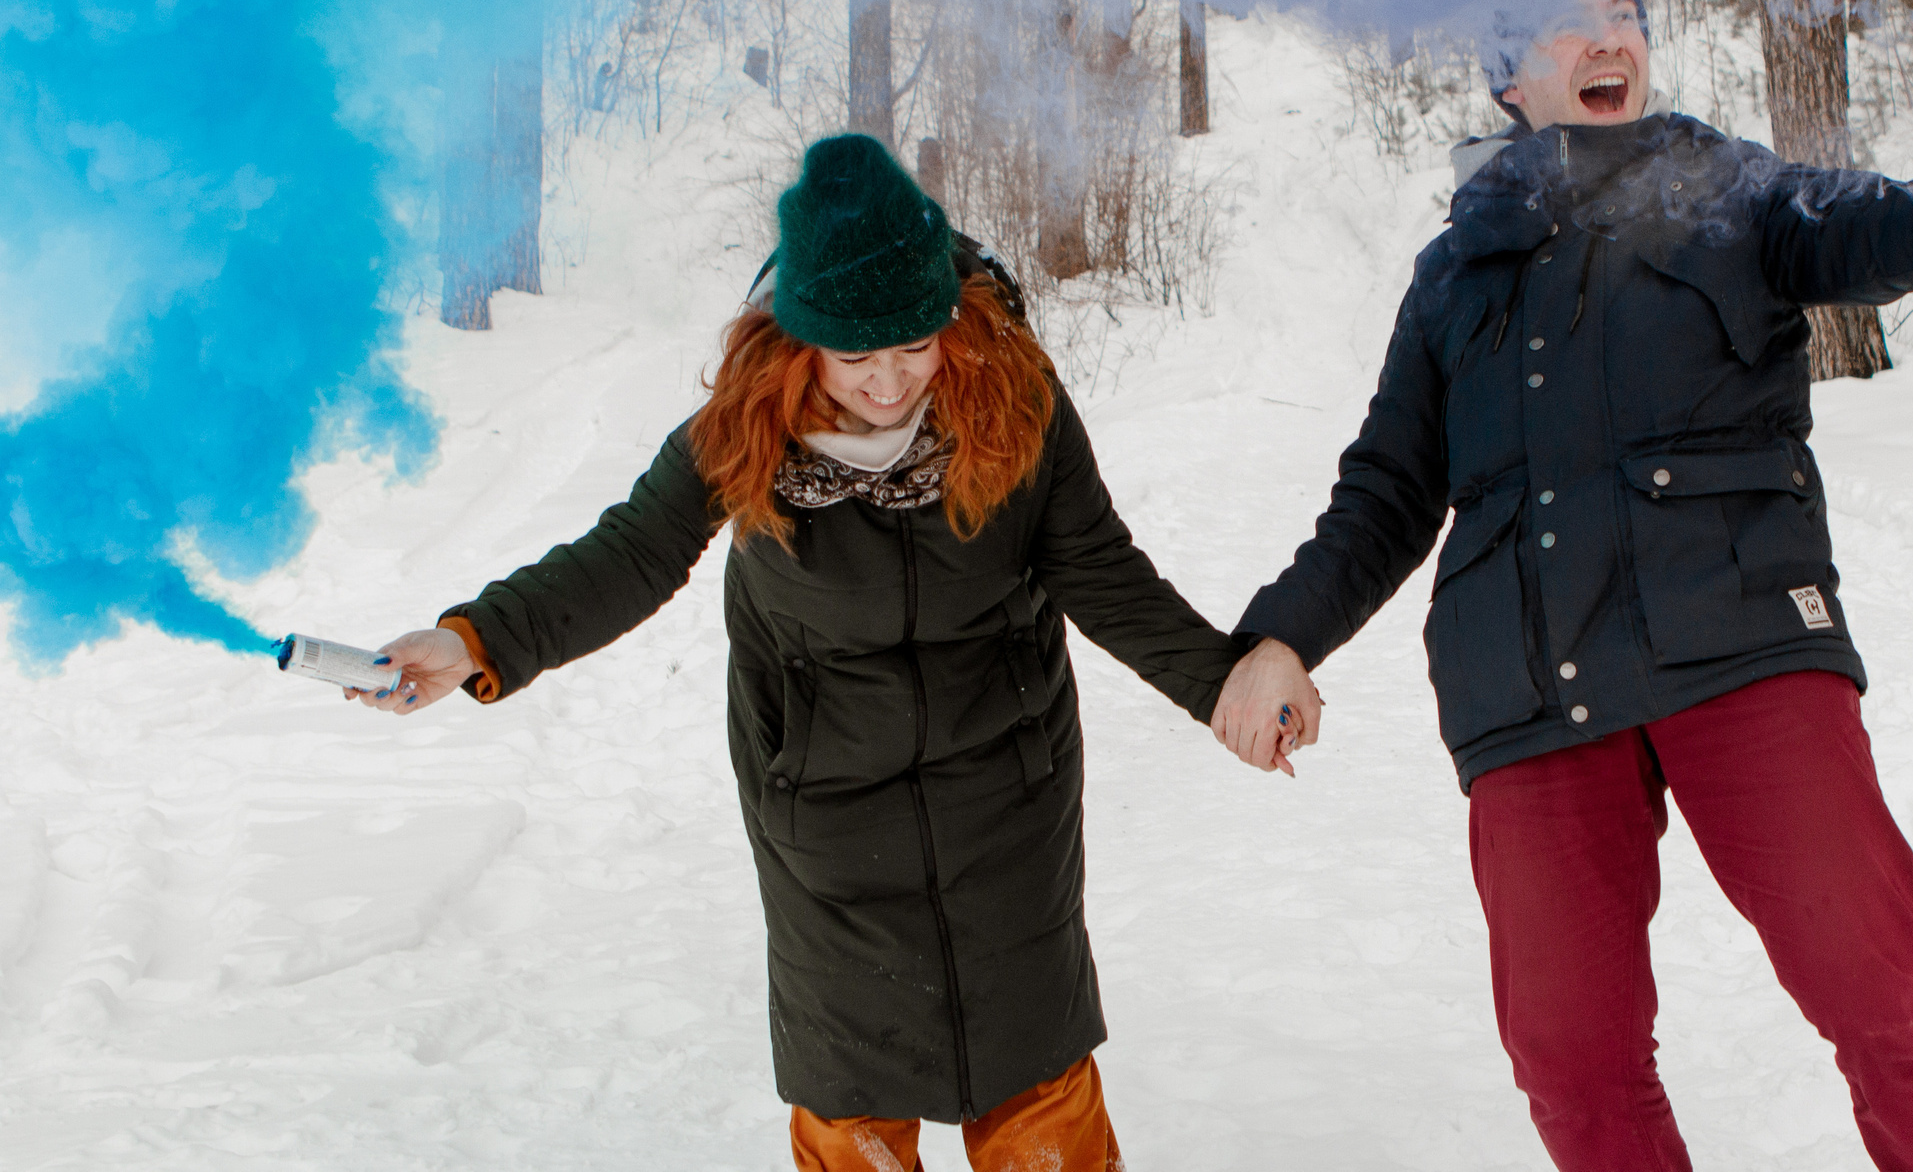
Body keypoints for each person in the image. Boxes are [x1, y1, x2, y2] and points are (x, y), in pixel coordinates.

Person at [1209, 0, 1913, 1172]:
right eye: (1567, 20)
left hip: (1738, 639)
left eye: (1625, 12)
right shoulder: (1453, 276)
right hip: (1531, 694)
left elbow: (1899, 224)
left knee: (1879, 983)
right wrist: (1281, 635)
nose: (1608, 39)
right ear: (1508, 78)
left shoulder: (1732, 197)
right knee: (1569, 1057)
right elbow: (1386, 489)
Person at [354, 134, 1252, 1172]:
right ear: (802, 343)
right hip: (824, 802)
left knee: (1033, 1071)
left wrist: (1224, 677)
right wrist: (474, 638)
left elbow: (1099, 568)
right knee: (853, 1092)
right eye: (857, 355)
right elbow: (629, 553)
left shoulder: (1015, 406)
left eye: (914, 345)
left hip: (1006, 785)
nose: (890, 380)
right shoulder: (742, 431)